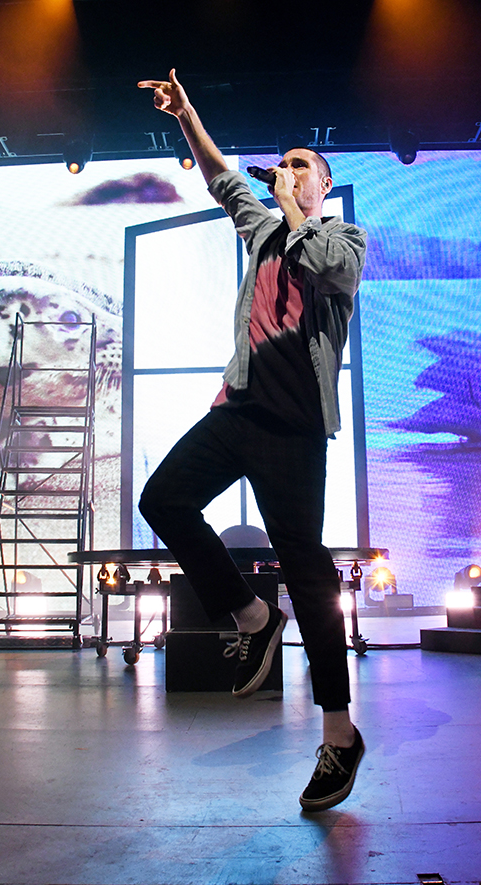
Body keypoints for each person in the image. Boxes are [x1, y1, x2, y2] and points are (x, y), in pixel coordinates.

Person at [137, 69, 368, 811]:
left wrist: (291, 206)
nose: (287, 170)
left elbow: (326, 268)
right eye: (284, 163)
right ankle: (252, 617)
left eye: (303, 165)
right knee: (163, 500)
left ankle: (338, 736)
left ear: (322, 185)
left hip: (295, 431)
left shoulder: (343, 239)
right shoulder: (264, 231)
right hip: (236, 410)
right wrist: (186, 115)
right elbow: (220, 177)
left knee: (312, 575)